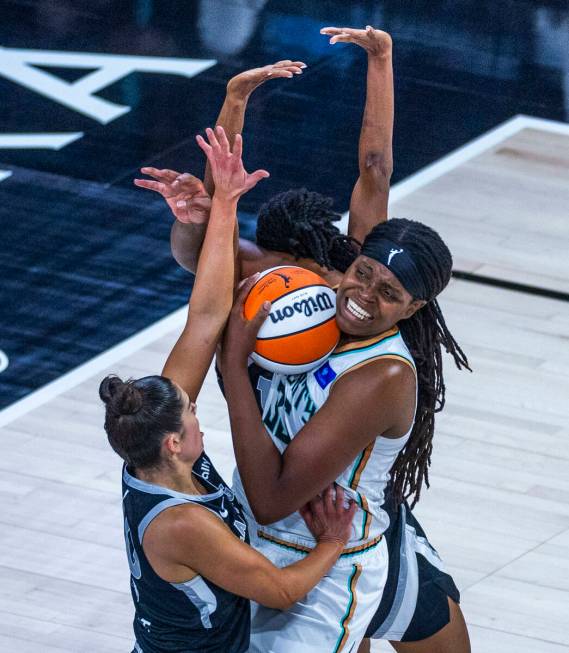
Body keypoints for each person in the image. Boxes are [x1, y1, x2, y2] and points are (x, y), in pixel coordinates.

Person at [138, 26, 472, 651]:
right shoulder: (302, 287)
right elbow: (207, 253)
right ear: (349, 262)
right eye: (364, 273)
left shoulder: (385, 374)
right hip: (253, 532)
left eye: (389, 294)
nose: (365, 294)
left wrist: (234, 371)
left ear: (414, 307)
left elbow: (273, 498)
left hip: (331, 545)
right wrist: (378, 58)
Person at [102, 125, 357, 653]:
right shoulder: (181, 523)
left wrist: (224, 204)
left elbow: (207, 315)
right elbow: (283, 591)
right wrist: (333, 543)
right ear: (174, 441)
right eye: (191, 414)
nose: (196, 412)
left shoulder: (152, 447)